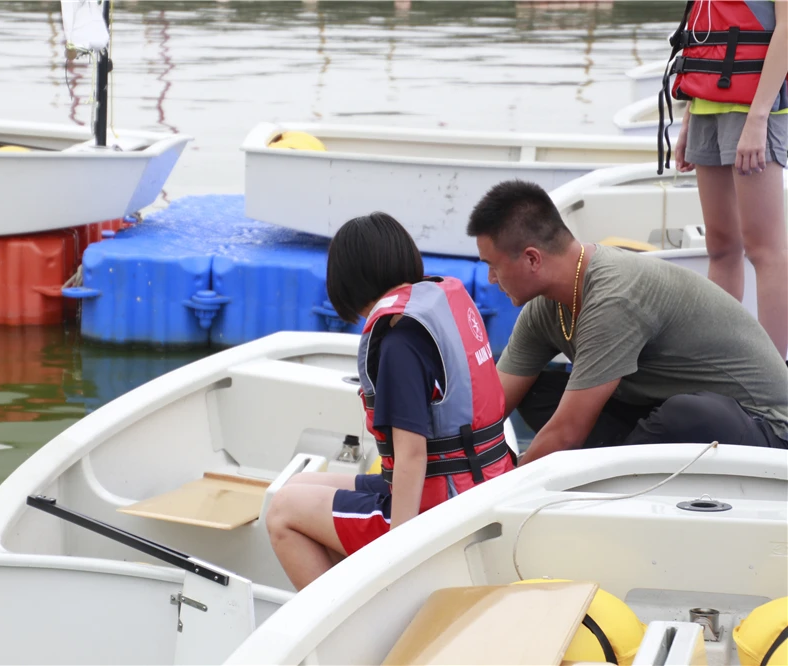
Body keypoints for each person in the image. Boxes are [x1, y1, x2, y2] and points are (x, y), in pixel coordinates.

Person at [265, 212, 514, 591]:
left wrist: (398, 556)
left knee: (282, 513)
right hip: (478, 482)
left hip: (440, 507)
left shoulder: (398, 343)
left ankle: (338, 629)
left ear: (349, 283)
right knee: (299, 484)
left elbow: (412, 455)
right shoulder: (435, 308)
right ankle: (355, 597)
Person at [465, 180, 788, 466]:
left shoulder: (616, 296)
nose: (491, 279)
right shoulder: (544, 308)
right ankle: (617, 461)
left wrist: (501, 486)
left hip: (766, 429)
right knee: (538, 390)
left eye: (493, 266)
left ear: (532, 258)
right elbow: (492, 408)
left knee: (685, 414)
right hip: (655, 411)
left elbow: (567, 434)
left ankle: (611, 473)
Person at [665, 0, 788, 359]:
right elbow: (705, 32)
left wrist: (758, 118)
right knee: (720, 246)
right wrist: (689, 121)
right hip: (707, 107)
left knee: (765, 250)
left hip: (755, 109)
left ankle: (774, 378)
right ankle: (720, 362)